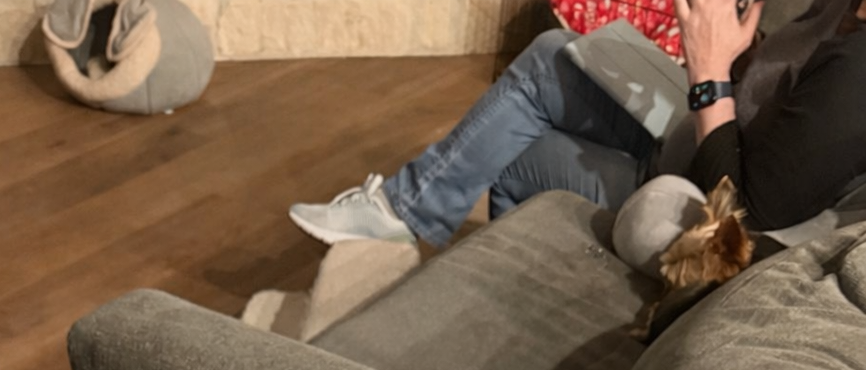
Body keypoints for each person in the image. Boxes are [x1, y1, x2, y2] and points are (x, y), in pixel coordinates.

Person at [288, 0, 866, 248]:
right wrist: (737, 53)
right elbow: (777, 105)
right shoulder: (840, 11)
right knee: (555, 54)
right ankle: (406, 209)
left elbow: (742, 215)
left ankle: (411, 215)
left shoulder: (859, 75)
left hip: (700, 204)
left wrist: (709, 70)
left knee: (512, 152)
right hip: (706, 134)